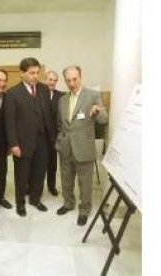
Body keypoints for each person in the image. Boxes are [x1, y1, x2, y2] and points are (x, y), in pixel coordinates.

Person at [55, 66, 108, 226]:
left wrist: (97, 112)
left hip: (84, 148)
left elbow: (104, 119)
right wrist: (60, 140)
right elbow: (60, 123)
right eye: (68, 80)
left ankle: (84, 209)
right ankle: (68, 203)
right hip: (65, 147)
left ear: (80, 77)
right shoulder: (62, 100)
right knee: (66, 179)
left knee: (85, 183)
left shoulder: (92, 95)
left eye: (75, 79)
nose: (72, 83)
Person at [4, 57, 55, 217]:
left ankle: (35, 199)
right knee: (22, 174)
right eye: (31, 73)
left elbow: (48, 115)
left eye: (37, 73)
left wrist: (51, 138)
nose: (35, 76)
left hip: (42, 141)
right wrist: (13, 144)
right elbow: (9, 121)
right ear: (22, 74)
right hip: (22, 142)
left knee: (39, 172)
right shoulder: (13, 93)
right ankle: (20, 203)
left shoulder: (43, 89)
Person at [0, 69, 13, 209]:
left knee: (2, 172)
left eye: (4, 80)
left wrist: (11, 143)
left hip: (3, 144)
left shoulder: (8, 98)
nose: (2, 83)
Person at [43, 70, 64, 196]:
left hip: (54, 136)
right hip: (40, 136)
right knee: (39, 165)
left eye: (54, 80)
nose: (52, 82)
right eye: (50, 79)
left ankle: (52, 186)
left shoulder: (61, 96)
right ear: (46, 79)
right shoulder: (38, 94)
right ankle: (36, 187)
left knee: (52, 164)